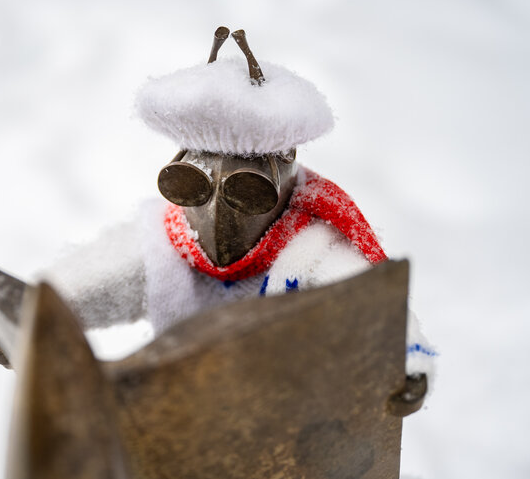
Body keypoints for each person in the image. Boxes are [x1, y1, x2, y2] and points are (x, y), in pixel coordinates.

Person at [39, 28, 435, 381]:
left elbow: (367, 307)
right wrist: (30, 324)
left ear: (283, 180)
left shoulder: (308, 253)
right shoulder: (164, 243)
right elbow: (97, 282)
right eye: (189, 186)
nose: (216, 213)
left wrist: (405, 366)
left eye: (246, 191)